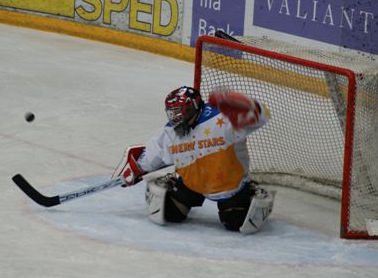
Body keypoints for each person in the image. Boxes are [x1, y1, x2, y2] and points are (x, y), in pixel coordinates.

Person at [114, 86, 274, 233]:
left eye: (179, 112)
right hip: (191, 183)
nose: (175, 118)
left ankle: (250, 192)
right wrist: (137, 168)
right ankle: (173, 184)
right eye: (171, 113)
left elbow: (262, 116)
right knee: (170, 213)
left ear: (192, 107)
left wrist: (249, 106)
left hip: (230, 186)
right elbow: (157, 150)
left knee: (235, 222)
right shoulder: (172, 131)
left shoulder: (222, 118)